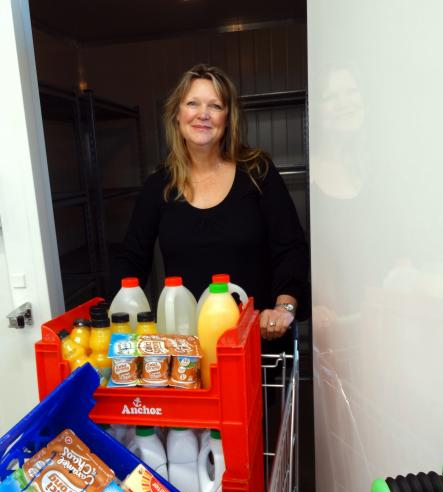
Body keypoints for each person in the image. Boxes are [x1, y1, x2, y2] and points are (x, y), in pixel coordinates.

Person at [114, 63, 309, 340]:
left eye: (215, 106)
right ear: (177, 116)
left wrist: (283, 307)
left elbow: (291, 248)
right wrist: (117, 316)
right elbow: (131, 258)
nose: (203, 114)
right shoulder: (159, 185)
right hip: (187, 348)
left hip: (255, 340)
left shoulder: (258, 172)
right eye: (192, 103)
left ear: (228, 118)